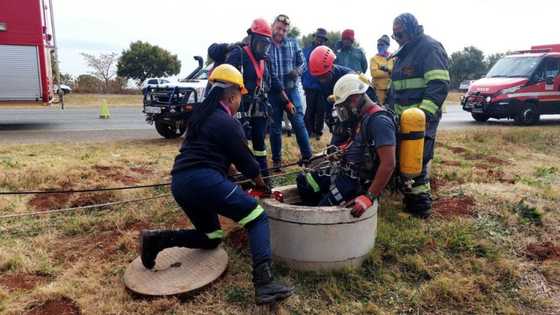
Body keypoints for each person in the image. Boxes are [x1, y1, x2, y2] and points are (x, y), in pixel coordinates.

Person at [139, 64, 293, 305]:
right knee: (257, 217)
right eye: (240, 97)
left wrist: (231, 179)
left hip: (181, 183)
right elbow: (249, 165)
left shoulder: (200, 117)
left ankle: (156, 240)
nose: (240, 102)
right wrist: (261, 186)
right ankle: (264, 283)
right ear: (231, 95)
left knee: (211, 237)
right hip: (204, 181)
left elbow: (220, 160)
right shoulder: (228, 123)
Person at [296, 74, 396, 216]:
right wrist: (318, 159)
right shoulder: (362, 118)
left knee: (318, 215)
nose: (341, 112)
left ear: (354, 99)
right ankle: (320, 201)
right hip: (342, 173)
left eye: (342, 107)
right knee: (304, 181)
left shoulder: (380, 122)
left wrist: (369, 197)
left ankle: (321, 209)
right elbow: (352, 146)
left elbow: (388, 164)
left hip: (355, 183)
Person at [390, 13, 450, 218]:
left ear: (413, 29)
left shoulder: (429, 48)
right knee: (404, 159)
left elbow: (439, 84)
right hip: (402, 120)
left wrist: (422, 116)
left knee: (418, 161)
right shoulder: (403, 52)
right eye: (395, 35)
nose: (397, 38)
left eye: (400, 33)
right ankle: (408, 200)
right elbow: (396, 89)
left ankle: (420, 209)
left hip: (421, 120)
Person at [210, 18, 285, 179]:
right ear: (251, 39)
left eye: (266, 45)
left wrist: (286, 101)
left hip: (260, 109)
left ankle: (263, 178)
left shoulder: (267, 60)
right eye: (260, 44)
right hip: (240, 108)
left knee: (260, 146)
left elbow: (274, 81)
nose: (263, 49)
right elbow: (226, 78)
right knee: (237, 144)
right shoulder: (239, 54)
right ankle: (232, 179)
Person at [268, 14, 313, 170]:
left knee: (299, 123)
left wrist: (297, 71)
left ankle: (308, 157)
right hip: (273, 91)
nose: (281, 32)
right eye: (279, 28)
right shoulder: (266, 44)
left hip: (291, 89)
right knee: (274, 128)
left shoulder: (294, 43)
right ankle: (277, 162)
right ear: (272, 26)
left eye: (284, 30)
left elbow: (303, 63)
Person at [308, 45, 377, 145]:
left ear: (331, 66)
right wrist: (328, 117)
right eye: (319, 77)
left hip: (360, 113)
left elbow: (367, 100)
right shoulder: (322, 80)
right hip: (344, 114)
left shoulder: (350, 77)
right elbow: (327, 100)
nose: (322, 80)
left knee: (360, 144)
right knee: (334, 147)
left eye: (324, 76)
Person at [302, 28, 329, 140]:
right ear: (315, 37)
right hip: (310, 85)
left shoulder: (327, 51)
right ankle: (308, 131)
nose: (319, 40)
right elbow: (302, 66)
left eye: (322, 38)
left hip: (322, 85)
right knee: (310, 108)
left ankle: (318, 132)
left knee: (321, 109)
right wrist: (303, 82)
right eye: (318, 37)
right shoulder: (306, 50)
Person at [370, 35, 393, 105]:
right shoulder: (374, 58)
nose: (379, 46)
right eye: (378, 45)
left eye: (382, 45)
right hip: (378, 89)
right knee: (380, 106)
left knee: (392, 107)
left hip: (391, 88)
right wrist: (389, 72)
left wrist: (382, 70)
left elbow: (396, 70)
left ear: (387, 45)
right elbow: (374, 73)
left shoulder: (393, 57)